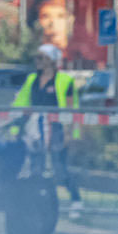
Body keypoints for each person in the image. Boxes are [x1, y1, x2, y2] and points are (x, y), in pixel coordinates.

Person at [12, 43, 83, 213]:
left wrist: (72, 133)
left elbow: (72, 108)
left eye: (41, 57)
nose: (37, 61)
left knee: (60, 166)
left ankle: (76, 200)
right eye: (37, 57)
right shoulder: (32, 79)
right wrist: (15, 129)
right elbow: (20, 104)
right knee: (35, 166)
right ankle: (38, 204)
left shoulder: (65, 80)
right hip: (35, 130)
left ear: (51, 60)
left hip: (57, 130)